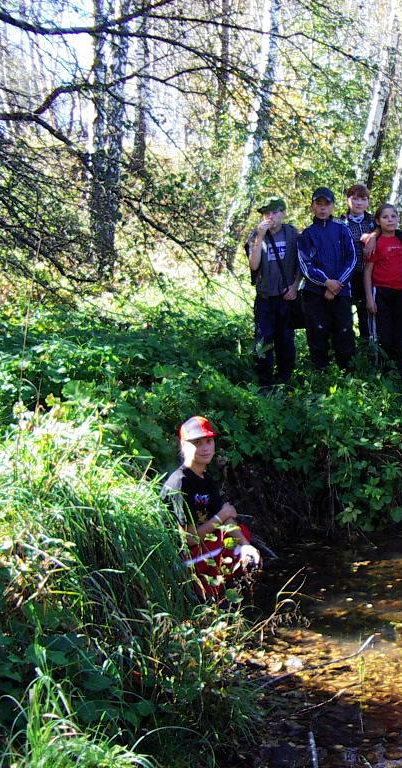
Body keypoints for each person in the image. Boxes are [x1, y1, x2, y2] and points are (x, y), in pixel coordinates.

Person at [162, 416, 261, 600]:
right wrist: (221, 516)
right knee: (226, 546)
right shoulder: (180, 483)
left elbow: (226, 520)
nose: (205, 448)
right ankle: (203, 594)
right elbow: (189, 539)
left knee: (242, 536)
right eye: (197, 443)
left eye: (209, 441)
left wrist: (247, 547)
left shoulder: (205, 479)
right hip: (181, 557)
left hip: (204, 544)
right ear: (184, 445)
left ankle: (218, 589)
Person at [298, 187, 358, 370]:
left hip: (341, 292)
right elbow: (305, 264)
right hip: (315, 293)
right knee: (317, 332)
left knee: (344, 332)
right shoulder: (307, 234)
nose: (323, 208)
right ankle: (321, 374)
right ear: (312, 207)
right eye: (319, 204)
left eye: (327, 204)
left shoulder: (342, 230)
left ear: (332, 207)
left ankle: (347, 376)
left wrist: (336, 285)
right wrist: (326, 283)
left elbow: (352, 259)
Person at [245, 196, 300, 387]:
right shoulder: (255, 236)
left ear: (283, 213)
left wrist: (295, 286)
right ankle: (264, 382)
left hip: (286, 297)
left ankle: (285, 379)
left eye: (275, 212)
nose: (270, 216)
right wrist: (260, 236)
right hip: (265, 297)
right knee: (263, 339)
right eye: (266, 213)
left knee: (285, 340)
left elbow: (301, 264)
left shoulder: (292, 234)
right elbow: (253, 265)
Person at [363, 203, 402, 372]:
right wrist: (369, 298)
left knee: (400, 334)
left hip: (400, 292)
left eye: (393, 216)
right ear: (378, 221)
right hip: (380, 292)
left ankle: (398, 372)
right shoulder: (374, 243)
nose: (390, 220)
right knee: (384, 335)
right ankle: (382, 373)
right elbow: (367, 272)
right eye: (385, 217)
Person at [339, 184, 377, 345]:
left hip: (369, 275)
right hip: (347, 276)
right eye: (354, 199)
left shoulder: (374, 221)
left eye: (363, 199)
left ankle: (367, 349)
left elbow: (385, 229)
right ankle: (347, 351)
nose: (359, 203)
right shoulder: (339, 222)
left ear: (368, 202)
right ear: (348, 200)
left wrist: (374, 235)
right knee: (344, 315)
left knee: (367, 312)